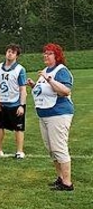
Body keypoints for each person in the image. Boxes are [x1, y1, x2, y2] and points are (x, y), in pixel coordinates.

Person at [27, 43, 74, 191]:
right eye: (45, 53)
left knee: (59, 147)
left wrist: (49, 80)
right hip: (45, 115)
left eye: (49, 53)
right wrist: (34, 85)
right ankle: (60, 178)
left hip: (58, 113)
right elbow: (45, 91)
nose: (45, 56)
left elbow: (65, 91)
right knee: (51, 149)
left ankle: (67, 183)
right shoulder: (46, 71)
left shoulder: (61, 71)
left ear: (57, 56)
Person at [0, 44, 27, 159]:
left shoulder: (20, 69)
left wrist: (22, 105)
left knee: (18, 128)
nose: (10, 53)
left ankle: (19, 151)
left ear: (17, 55)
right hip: (2, 103)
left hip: (15, 104)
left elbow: (22, 88)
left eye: (13, 52)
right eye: (8, 51)